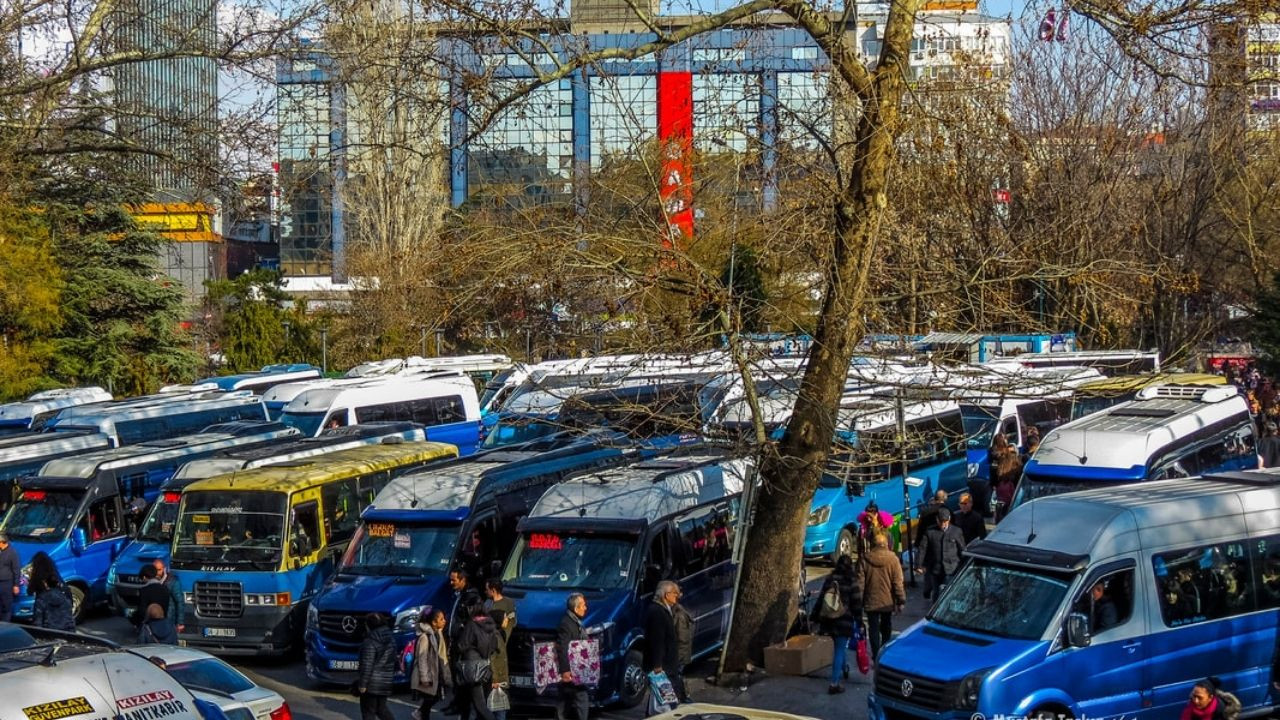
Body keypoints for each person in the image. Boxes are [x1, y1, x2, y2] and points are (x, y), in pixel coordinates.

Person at [812, 554, 861, 694]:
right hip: (844, 620)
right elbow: (856, 602)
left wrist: (814, 616)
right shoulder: (851, 580)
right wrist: (859, 620)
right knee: (840, 649)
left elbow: (822, 598)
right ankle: (834, 683)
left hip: (829, 620)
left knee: (838, 647)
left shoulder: (830, 579)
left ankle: (844, 667)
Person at [857, 532, 904, 660]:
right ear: (887, 544)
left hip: (870, 600)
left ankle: (875, 653)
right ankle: (884, 651)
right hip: (887, 601)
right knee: (886, 626)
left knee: (873, 628)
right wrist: (901, 600)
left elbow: (860, 583)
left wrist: (858, 602)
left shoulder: (865, 559)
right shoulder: (893, 560)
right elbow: (897, 582)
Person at [456, 595, 498, 720]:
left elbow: (461, 645)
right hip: (486, 666)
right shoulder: (490, 623)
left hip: (472, 668)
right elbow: (495, 645)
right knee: (478, 703)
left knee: (480, 705)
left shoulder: (472, 624)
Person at [644, 580, 682, 713]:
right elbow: (657, 640)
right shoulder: (657, 612)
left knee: (661, 700)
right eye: (675, 594)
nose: (677, 596)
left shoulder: (663, 610)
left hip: (667, 664)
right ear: (666, 595)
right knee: (664, 702)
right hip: (662, 667)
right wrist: (657, 666)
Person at [916, 508, 965, 599]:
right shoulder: (930, 532)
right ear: (937, 519)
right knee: (936, 592)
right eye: (941, 522)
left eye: (945, 522)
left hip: (951, 568)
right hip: (935, 569)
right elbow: (922, 548)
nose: (943, 525)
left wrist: (963, 565)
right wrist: (919, 565)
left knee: (948, 592)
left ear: (949, 519)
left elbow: (962, 548)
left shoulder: (956, 531)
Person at [412, 609, 451, 720]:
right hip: (428, 674)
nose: (444, 621)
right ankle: (421, 713)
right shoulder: (425, 637)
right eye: (441, 619)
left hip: (435, 673)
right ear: (433, 622)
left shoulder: (436, 634)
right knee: (430, 698)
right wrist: (424, 677)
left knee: (434, 697)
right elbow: (422, 659)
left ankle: (420, 712)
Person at [484, 580, 515, 720]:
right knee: (497, 708)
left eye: (487, 588)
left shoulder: (508, 603)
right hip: (496, 676)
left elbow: (511, 622)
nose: (486, 591)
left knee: (498, 707)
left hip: (499, 672)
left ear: (493, 589)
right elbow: (492, 658)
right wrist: (495, 678)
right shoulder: (487, 604)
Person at [556, 593, 589, 720]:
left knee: (566, 699)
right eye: (583, 605)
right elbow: (563, 647)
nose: (585, 608)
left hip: (576, 668)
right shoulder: (566, 623)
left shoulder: (575, 621)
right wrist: (565, 671)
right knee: (580, 697)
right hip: (570, 670)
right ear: (576, 609)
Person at [358, 612, 397, 720]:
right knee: (381, 709)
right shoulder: (391, 640)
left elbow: (367, 664)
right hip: (385, 682)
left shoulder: (370, 642)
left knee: (368, 712)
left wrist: (363, 684)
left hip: (371, 684)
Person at [29, 552, 74, 631]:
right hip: (67, 631)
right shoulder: (65, 591)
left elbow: (38, 622)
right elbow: (69, 613)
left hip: (50, 633)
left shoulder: (42, 599)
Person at [991, 434, 1024, 520]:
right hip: (1012, 500)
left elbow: (994, 481)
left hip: (1001, 501)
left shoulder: (998, 464)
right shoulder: (1017, 466)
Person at [671, 592, 693, 704]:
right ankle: (682, 697)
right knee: (677, 675)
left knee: (676, 675)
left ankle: (683, 697)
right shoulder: (678, 613)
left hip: (679, 653)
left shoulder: (678, 615)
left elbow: (682, 638)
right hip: (680, 652)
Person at [153, 558, 185, 634]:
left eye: (159, 570)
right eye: (154, 570)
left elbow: (180, 602)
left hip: (169, 620)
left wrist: (180, 622)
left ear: (164, 569)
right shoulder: (152, 582)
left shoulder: (173, 582)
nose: (157, 573)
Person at [0, 533, 20, 622]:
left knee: (6, 605)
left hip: (7, 583)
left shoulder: (12, 553)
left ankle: (5, 624)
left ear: (2, 542)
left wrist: (16, 585)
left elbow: (16, 569)